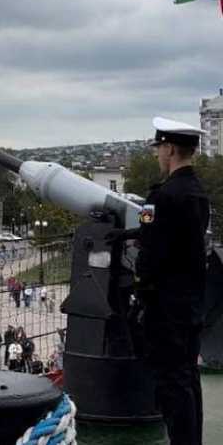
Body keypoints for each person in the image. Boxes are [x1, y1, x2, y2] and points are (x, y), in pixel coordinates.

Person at [108, 117, 209, 445]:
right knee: (187, 378)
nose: (157, 154)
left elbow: (151, 243)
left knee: (170, 382)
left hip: (165, 305)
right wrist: (129, 233)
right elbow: (169, 233)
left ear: (169, 148)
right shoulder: (196, 192)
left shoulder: (159, 196)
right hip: (191, 300)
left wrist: (139, 285)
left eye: (159, 148)